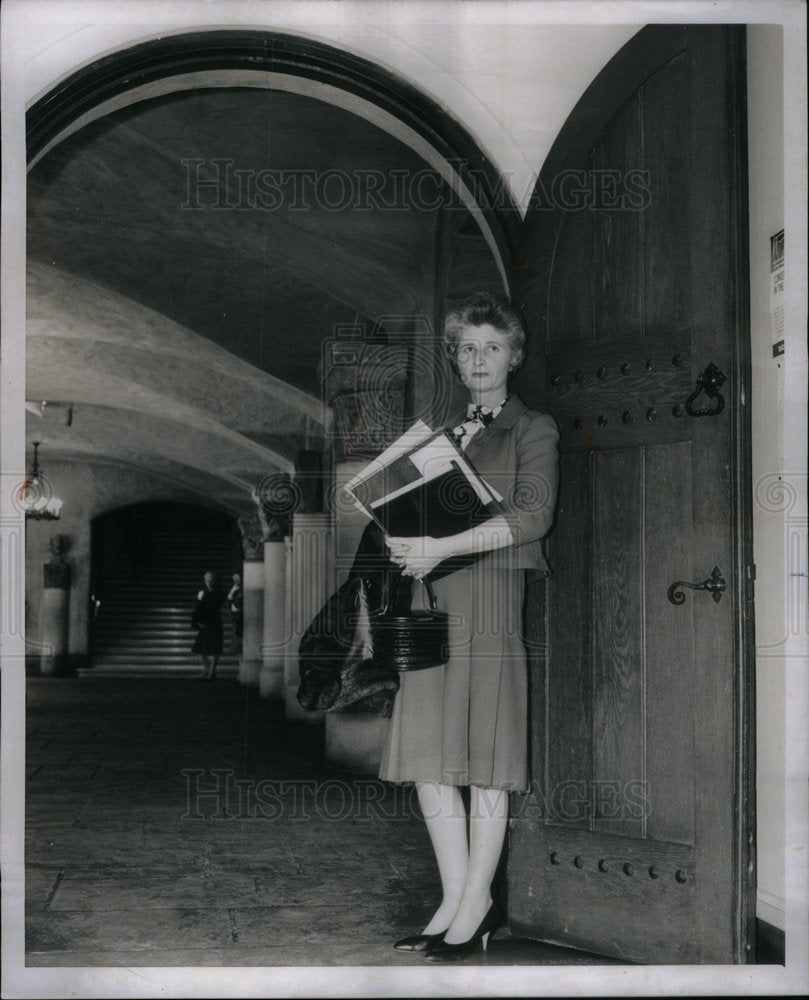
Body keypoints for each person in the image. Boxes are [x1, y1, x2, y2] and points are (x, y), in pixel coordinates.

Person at [382, 291, 559, 962]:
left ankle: (479, 902)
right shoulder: (437, 434)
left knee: (484, 763)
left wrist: (440, 548)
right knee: (430, 761)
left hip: (486, 602)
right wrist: (404, 542)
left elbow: (532, 518)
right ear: (454, 359)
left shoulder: (532, 429)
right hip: (431, 602)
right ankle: (453, 899)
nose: (478, 359)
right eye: (466, 348)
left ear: (513, 355)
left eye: (491, 347)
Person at [191, 570, 223, 681]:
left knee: (215, 648)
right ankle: (207, 669)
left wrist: (202, 599)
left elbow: (213, 606)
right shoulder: (203, 592)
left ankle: (212, 671)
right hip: (206, 622)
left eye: (210, 579)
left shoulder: (218, 592)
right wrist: (199, 599)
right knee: (200, 648)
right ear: (204, 580)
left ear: (214, 580)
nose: (208, 581)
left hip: (214, 622)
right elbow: (200, 608)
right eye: (207, 579)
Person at [227, 573, 243, 654]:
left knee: (238, 631)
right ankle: (236, 648)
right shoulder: (234, 587)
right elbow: (229, 598)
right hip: (234, 612)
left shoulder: (241, 589)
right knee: (236, 630)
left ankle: (237, 649)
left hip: (239, 612)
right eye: (234, 578)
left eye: (237, 578)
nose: (236, 580)